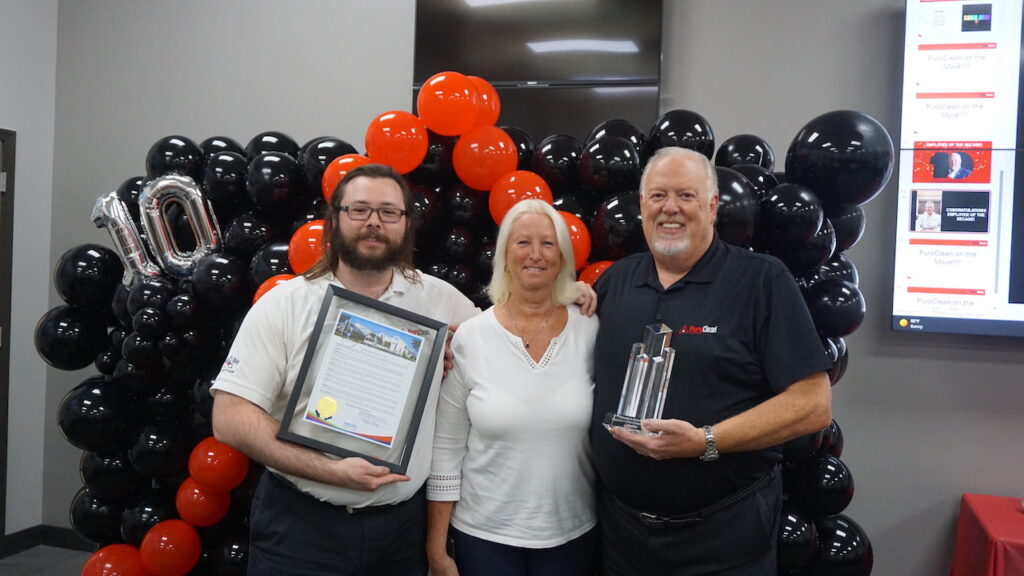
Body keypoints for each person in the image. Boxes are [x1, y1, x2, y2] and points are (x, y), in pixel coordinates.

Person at [210, 163, 480, 576]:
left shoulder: (440, 301)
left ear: (407, 224)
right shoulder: (285, 304)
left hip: (402, 533)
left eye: (389, 212)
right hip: (301, 528)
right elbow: (229, 418)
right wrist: (332, 471)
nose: (374, 222)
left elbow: (507, 335)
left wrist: (571, 297)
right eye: (359, 209)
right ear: (334, 220)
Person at [590, 147, 833, 576]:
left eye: (686, 195)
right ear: (642, 205)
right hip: (622, 538)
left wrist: (706, 440)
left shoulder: (762, 280)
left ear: (713, 206)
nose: (670, 208)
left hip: (725, 538)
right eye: (658, 195)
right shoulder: (616, 281)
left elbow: (812, 404)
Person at [426, 199, 599, 576]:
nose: (535, 254)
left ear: (562, 257)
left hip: (572, 535)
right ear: (504, 256)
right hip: (483, 538)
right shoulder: (471, 337)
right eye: (523, 242)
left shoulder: (590, 329)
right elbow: (446, 448)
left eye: (548, 243)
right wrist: (436, 549)